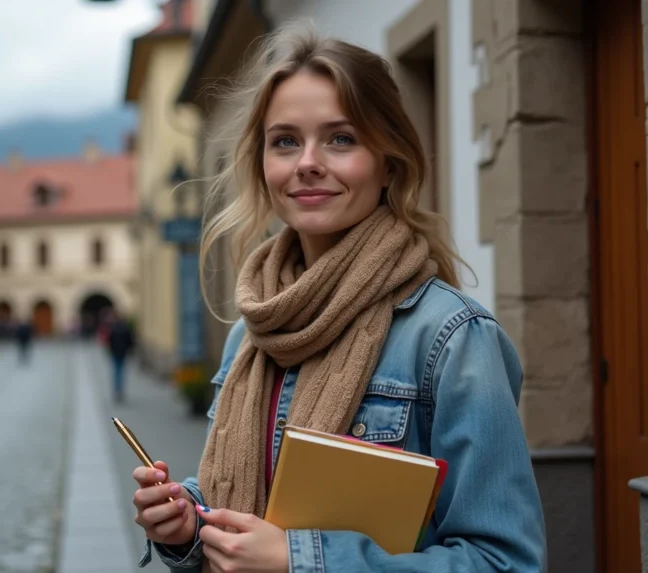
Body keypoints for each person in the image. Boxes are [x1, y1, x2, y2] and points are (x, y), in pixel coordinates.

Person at [131, 25, 546, 573]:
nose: (307, 161)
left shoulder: (451, 338)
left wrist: (300, 560)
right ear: (263, 165)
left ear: (388, 161)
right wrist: (189, 524)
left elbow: (506, 561)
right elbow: (250, 504)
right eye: (285, 141)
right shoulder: (252, 332)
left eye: (341, 138)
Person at [106, 310, 135, 403]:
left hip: (115, 353)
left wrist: (110, 350)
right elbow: (130, 341)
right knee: (121, 371)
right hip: (123, 353)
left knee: (116, 371)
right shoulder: (126, 328)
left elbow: (109, 341)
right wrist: (130, 349)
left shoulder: (113, 329)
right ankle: (120, 389)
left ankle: (117, 390)